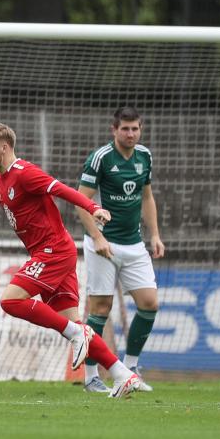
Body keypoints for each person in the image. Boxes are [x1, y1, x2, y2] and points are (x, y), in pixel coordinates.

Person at [0, 122, 141, 399]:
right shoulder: (0, 181)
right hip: (54, 254)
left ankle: (78, 336)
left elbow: (60, 189)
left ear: (4, 148)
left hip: (53, 252)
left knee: (10, 300)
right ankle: (123, 375)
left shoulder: (24, 173)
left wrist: (93, 207)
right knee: (72, 324)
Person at [76, 106, 163, 393]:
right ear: (114, 130)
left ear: (141, 129)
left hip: (134, 244)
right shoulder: (101, 158)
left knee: (149, 302)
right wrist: (97, 238)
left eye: (135, 128)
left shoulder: (144, 157)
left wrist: (155, 236)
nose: (130, 133)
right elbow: (81, 201)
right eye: (125, 128)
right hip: (103, 245)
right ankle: (91, 376)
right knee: (101, 308)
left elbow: (147, 197)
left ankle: (132, 368)